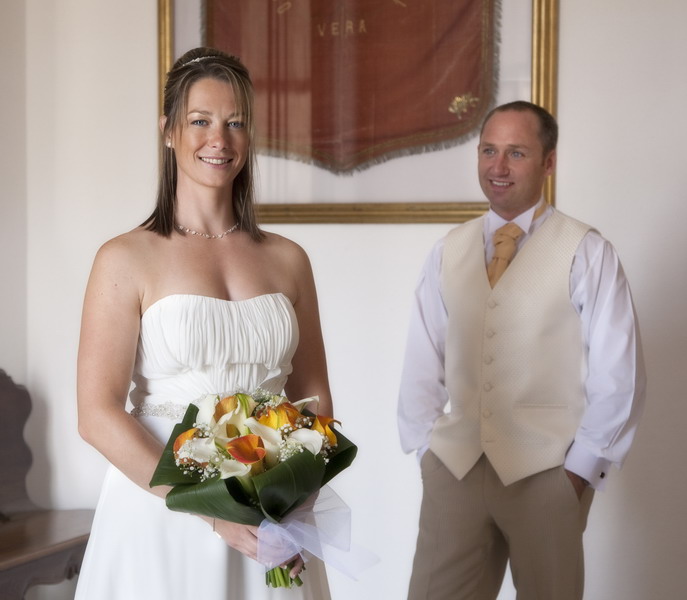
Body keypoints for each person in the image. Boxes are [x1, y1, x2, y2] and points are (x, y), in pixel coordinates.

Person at [75, 47, 332, 599]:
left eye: (235, 122)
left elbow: (314, 396)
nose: (220, 139)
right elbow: (97, 415)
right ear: (168, 131)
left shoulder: (289, 259)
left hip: (272, 516)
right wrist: (211, 511)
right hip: (162, 513)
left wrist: (295, 499)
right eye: (200, 121)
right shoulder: (124, 258)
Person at [397, 101, 646, 600]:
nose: (498, 166)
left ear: (548, 162)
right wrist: (428, 452)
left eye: (516, 153)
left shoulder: (587, 251)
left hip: (548, 473)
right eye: (488, 150)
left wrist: (579, 473)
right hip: (455, 469)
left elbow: (620, 373)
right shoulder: (449, 250)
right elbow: (422, 360)